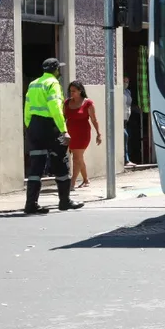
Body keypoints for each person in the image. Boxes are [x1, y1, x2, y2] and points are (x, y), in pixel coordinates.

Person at [24, 58, 83, 215]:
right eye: (59, 69)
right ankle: (64, 201)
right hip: (50, 126)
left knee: (36, 165)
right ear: (56, 69)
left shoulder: (34, 83)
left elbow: (27, 106)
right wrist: (63, 130)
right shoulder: (53, 83)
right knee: (61, 162)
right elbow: (55, 107)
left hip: (34, 127)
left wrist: (29, 126)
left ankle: (31, 204)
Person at [64, 80, 102, 189]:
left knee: (76, 158)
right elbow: (63, 118)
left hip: (83, 134)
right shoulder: (67, 103)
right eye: (70, 91)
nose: (72, 93)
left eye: (74, 91)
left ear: (80, 91)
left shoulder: (88, 103)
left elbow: (94, 120)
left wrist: (98, 134)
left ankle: (72, 183)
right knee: (79, 158)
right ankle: (86, 180)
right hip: (70, 134)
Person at [123, 76, 136, 168]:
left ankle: (127, 159)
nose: (125, 83)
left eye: (127, 82)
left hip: (126, 119)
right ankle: (126, 160)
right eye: (124, 81)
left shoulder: (128, 92)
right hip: (120, 119)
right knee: (125, 136)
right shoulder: (118, 92)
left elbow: (129, 105)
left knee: (127, 137)